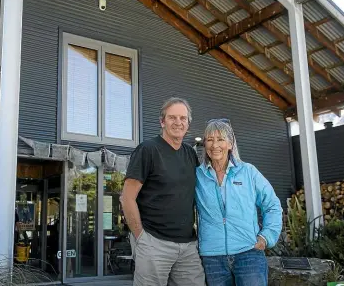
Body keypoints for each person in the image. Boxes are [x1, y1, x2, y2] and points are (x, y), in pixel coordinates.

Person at [120, 97, 205, 286]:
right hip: (154, 242)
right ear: (162, 121)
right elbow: (127, 198)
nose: (178, 122)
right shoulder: (148, 150)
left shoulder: (190, 154)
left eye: (183, 118)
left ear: (188, 124)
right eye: (172, 117)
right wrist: (141, 237)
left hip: (188, 246)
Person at [195, 118, 282, 286]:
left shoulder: (248, 172)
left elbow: (272, 205)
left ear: (230, 143)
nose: (215, 145)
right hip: (212, 258)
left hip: (249, 253)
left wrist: (266, 237)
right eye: (210, 140)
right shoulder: (197, 176)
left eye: (220, 139)